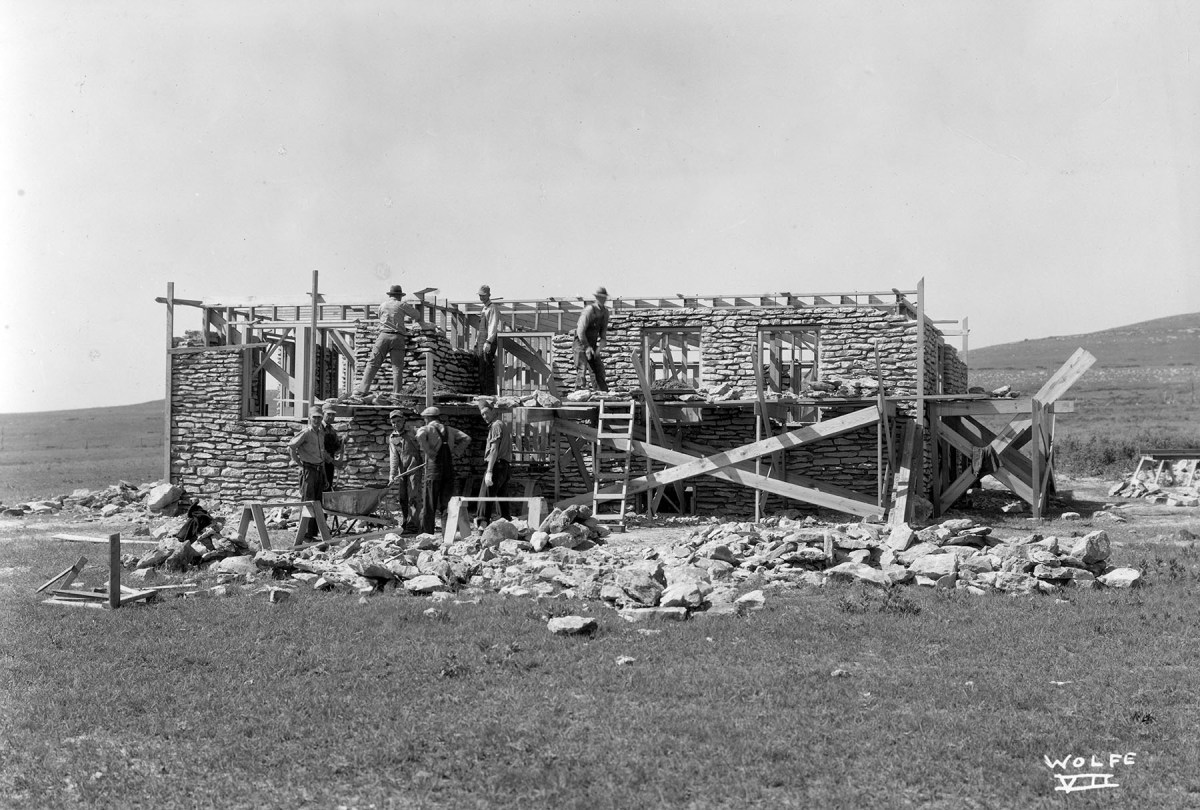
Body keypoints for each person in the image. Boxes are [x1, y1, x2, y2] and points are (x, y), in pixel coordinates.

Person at [347, 284, 428, 404]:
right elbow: (417, 315)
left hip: (383, 336)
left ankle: (362, 390)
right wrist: (404, 318)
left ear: (390, 295)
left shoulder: (383, 305)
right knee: (397, 368)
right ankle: (396, 395)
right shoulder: (402, 305)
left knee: (372, 363)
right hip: (397, 337)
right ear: (400, 296)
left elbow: (382, 318)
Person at [414, 405, 470, 534]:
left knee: (429, 504)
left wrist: (429, 451)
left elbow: (419, 435)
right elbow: (466, 438)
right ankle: (447, 535)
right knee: (446, 504)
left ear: (427, 418)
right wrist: (456, 452)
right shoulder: (450, 430)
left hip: (433, 470)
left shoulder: (426, 429)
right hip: (448, 471)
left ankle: (427, 534)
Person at [287, 409, 329, 542]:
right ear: (310, 418)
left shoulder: (321, 433)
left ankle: (313, 532)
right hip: (309, 471)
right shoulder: (306, 432)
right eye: (314, 417)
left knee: (318, 502)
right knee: (308, 501)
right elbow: (291, 447)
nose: (317, 420)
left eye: (319, 418)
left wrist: (324, 476)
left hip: (319, 470)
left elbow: (321, 457)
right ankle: (305, 535)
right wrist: (300, 464)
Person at [475, 397, 513, 525]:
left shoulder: (496, 425)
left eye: (486, 413)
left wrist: (489, 471)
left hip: (497, 465)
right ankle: (506, 523)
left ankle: (482, 524)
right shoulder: (502, 424)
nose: (484, 416)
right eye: (482, 414)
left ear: (493, 411)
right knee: (502, 498)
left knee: (485, 497)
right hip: (505, 466)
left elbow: (494, 449)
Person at [387, 409, 423, 531]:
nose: (396, 424)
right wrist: (392, 474)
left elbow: (424, 445)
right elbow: (394, 457)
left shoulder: (413, 432)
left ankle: (413, 525)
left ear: (403, 421)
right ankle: (406, 522)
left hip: (415, 469)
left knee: (413, 497)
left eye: (398, 421)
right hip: (402, 471)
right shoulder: (393, 437)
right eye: (393, 422)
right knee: (403, 498)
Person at [574, 286, 610, 391]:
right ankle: (579, 393)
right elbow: (580, 331)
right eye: (600, 297)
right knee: (582, 368)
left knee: (598, 369)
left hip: (593, 343)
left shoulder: (605, 312)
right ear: (596, 298)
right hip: (581, 343)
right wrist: (586, 347)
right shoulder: (589, 310)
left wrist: (602, 342)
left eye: (604, 297)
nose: (602, 299)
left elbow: (603, 332)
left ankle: (601, 393)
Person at [475, 284, 501, 396]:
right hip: (481, 340)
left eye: (483, 295)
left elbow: (492, 326)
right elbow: (480, 328)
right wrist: (477, 341)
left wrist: (488, 341)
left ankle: (489, 394)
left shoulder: (492, 308)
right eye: (480, 295)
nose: (481, 297)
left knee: (487, 367)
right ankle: (483, 394)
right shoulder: (484, 308)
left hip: (487, 341)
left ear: (489, 295)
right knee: (481, 367)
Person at [320, 406, 344, 491]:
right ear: (323, 414)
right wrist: (333, 461)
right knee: (320, 489)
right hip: (320, 464)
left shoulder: (331, 429)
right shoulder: (319, 428)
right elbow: (320, 449)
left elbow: (336, 446)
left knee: (328, 487)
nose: (331, 417)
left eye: (333, 415)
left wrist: (343, 441)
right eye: (328, 414)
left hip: (329, 464)